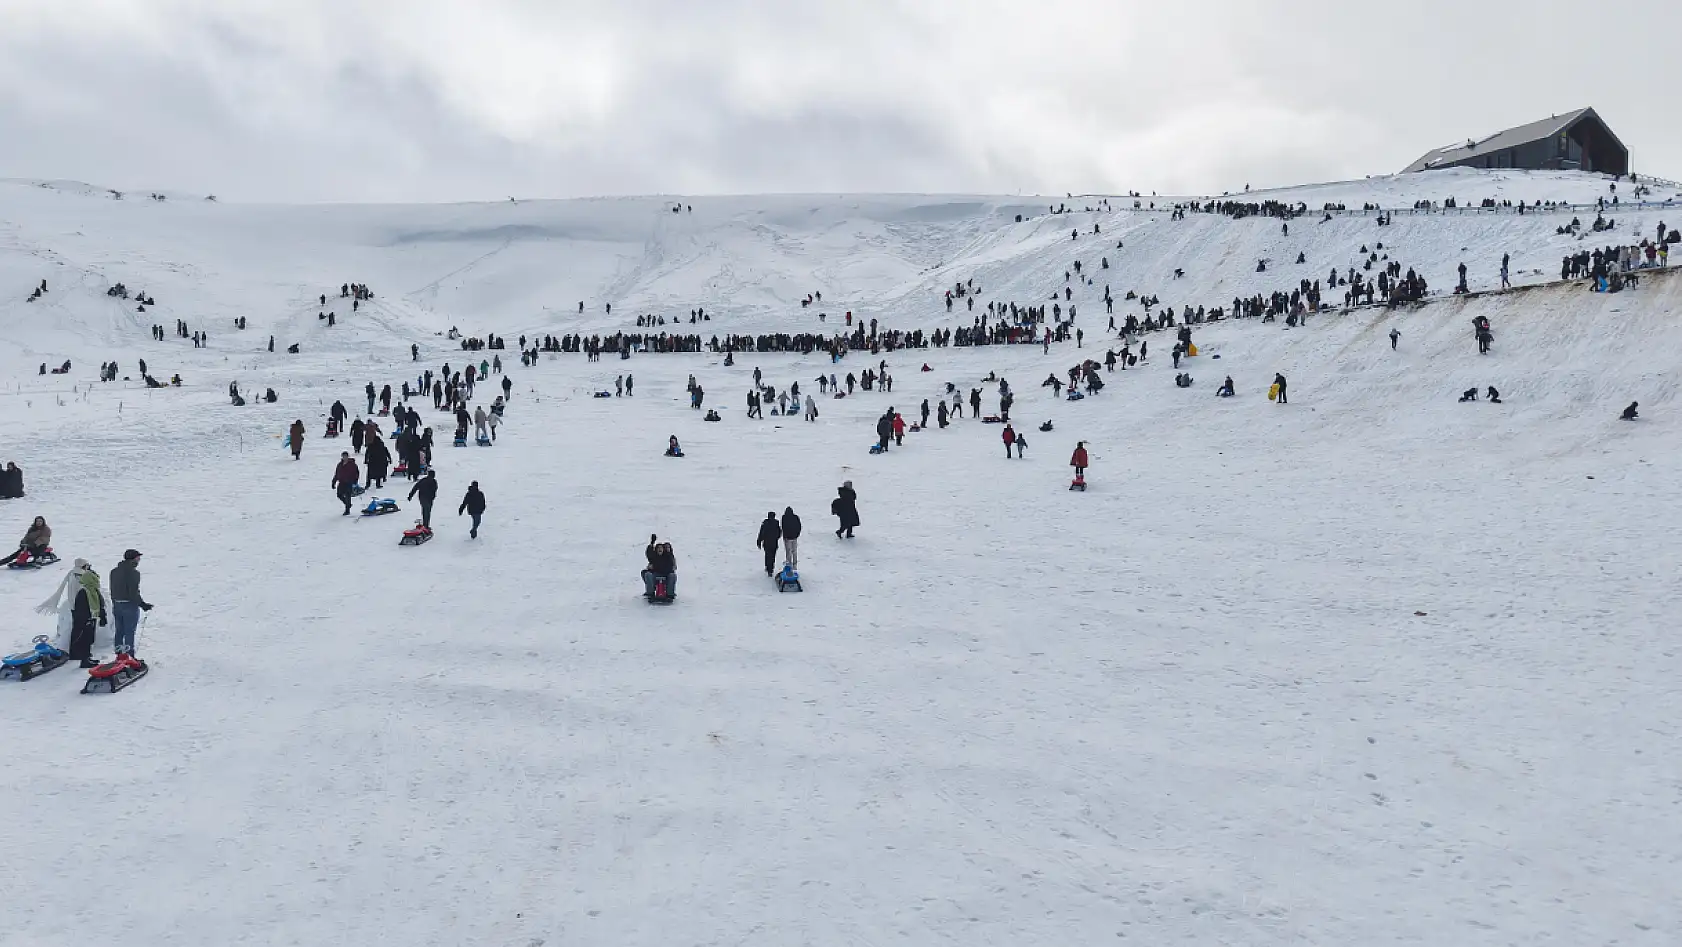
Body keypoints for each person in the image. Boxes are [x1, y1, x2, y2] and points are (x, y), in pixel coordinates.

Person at [108, 549, 153, 656]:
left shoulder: (114, 571)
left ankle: (119, 654)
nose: (139, 560)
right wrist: (142, 604)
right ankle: (129, 656)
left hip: (117, 604)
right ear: (133, 559)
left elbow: (112, 589)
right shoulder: (134, 573)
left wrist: (114, 602)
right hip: (129, 605)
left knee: (119, 630)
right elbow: (133, 592)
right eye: (138, 558)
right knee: (129, 631)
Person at [756, 512, 782, 576]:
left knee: (767, 556)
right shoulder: (776, 523)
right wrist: (776, 538)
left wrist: (759, 542)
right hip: (774, 543)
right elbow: (779, 533)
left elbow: (761, 533)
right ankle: (771, 569)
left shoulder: (765, 524)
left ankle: (768, 567)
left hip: (767, 543)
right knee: (773, 556)